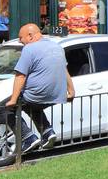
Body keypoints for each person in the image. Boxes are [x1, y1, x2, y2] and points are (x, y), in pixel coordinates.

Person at [4, 23, 74, 152]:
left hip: (36, 94)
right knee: (33, 106)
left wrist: (13, 100)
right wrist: (71, 91)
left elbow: (20, 76)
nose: (20, 41)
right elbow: (64, 70)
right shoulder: (57, 47)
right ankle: (47, 132)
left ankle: (27, 138)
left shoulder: (29, 49)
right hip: (56, 96)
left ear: (30, 36)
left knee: (3, 109)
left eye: (21, 37)